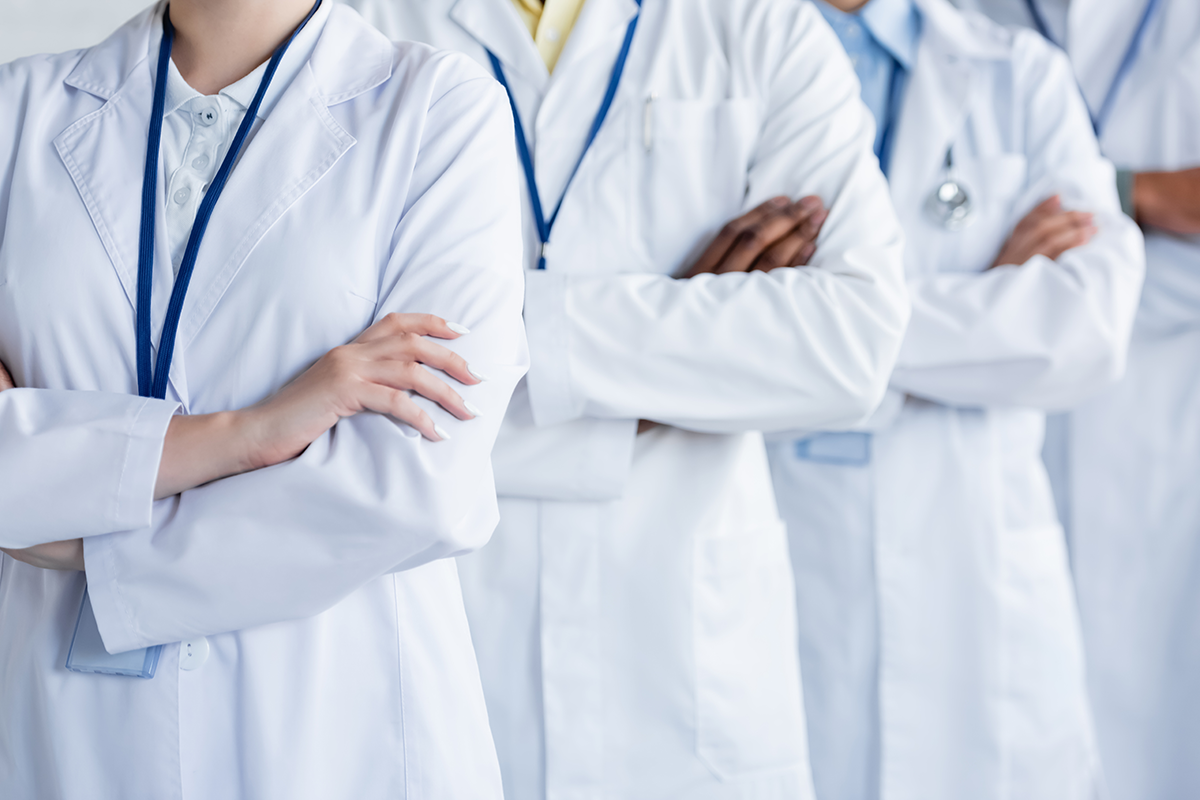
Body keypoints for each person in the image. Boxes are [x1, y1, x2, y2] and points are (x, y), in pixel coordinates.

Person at [343, 0, 911, 797]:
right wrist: (680, 351)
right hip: (439, 640)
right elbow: (320, 384)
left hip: (689, 673)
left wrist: (490, 348)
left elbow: (851, 343)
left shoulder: (760, 25)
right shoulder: (356, 26)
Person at [0, 0, 529, 796]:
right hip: (62, 729)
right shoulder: (14, 112)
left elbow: (415, 484)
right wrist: (249, 434)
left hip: (339, 726)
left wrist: (71, 538)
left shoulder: (439, 108)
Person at [765, 0, 1145, 798]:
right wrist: (980, 302)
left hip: (977, 570)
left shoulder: (1021, 74)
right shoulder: (721, 61)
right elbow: (683, 333)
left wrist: (803, 323)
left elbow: (1087, 328)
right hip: (782, 548)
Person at [948, 1, 1200, 798]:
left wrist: (1034, 271)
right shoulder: (951, 17)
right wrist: (1139, 195)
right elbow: (899, 241)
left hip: (1169, 422)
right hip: (980, 434)